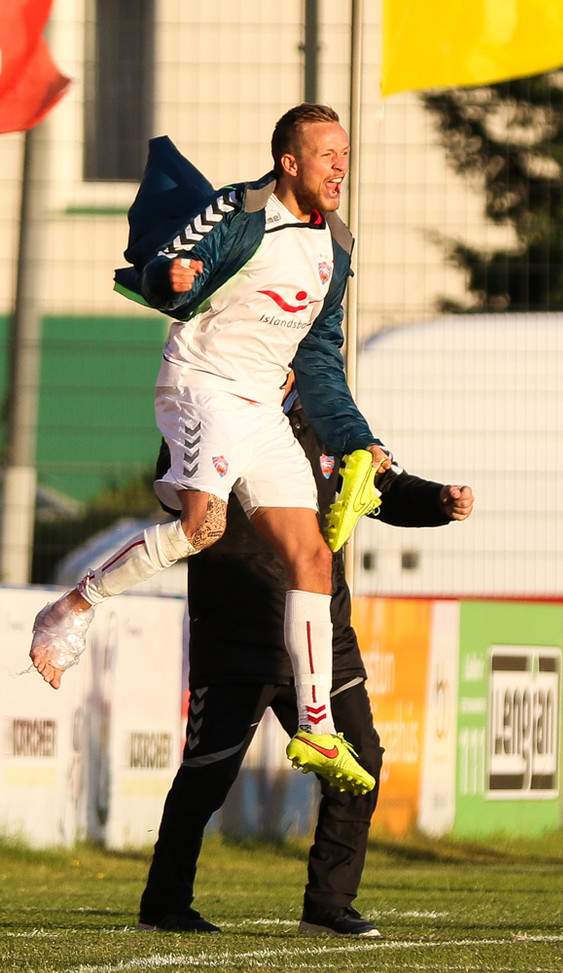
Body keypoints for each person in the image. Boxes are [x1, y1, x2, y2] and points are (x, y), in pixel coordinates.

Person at [30, 104, 386, 794]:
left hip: (261, 407)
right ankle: (71, 607)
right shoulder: (239, 210)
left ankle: (316, 725)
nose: (340, 167)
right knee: (203, 527)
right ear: (289, 162)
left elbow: (319, 356)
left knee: (313, 556)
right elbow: (172, 266)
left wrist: (357, 438)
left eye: (345, 154)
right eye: (327, 155)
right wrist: (170, 279)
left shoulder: (336, 246)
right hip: (201, 388)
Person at [136, 394, 474, 935]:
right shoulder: (211, 404)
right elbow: (182, 504)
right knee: (207, 776)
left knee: (359, 762)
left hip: (325, 636)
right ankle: (164, 905)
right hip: (238, 636)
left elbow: (380, 486)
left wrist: (438, 500)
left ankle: (329, 907)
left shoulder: (329, 415)